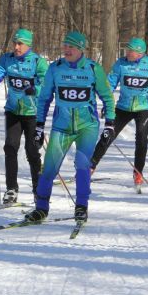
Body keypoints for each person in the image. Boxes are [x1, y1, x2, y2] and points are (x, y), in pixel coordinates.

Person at [25, 31, 116, 223]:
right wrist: (39, 127)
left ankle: (81, 207)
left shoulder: (93, 69)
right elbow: (44, 99)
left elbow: (107, 97)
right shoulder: (55, 68)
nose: (66, 49)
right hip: (62, 127)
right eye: (64, 45)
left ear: (81, 49)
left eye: (71, 46)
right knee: (49, 168)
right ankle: (41, 209)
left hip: (87, 126)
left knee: (83, 165)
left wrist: (110, 124)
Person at [89, 37, 148, 190]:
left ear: (139, 53)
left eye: (130, 50)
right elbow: (109, 84)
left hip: (143, 108)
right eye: (127, 49)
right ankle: (90, 167)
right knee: (107, 135)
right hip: (123, 107)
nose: (127, 52)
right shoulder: (121, 63)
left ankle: (138, 172)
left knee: (142, 139)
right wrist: (107, 104)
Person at [0, 28, 49, 204]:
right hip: (13, 110)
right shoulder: (7, 59)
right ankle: (11, 189)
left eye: (20, 43)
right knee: (10, 147)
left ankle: (38, 188)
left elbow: (46, 85)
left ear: (28, 44)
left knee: (32, 150)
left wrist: (34, 89)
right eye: (15, 42)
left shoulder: (38, 62)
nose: (16, 46)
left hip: (33, 113)